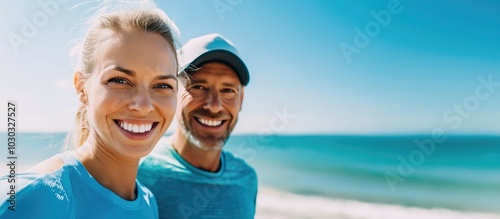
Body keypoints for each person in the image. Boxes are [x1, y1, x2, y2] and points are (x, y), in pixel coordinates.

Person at [0, 1, 179, 218]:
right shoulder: (30, 198)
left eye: (162, 85)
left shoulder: (149, 204)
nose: (143, 105)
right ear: (81, 86)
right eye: (120, 80)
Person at [138, 33, 258, 219]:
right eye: (199, 87)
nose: (214, 105)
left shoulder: (247, 179)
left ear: (241, 99)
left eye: (228, 90)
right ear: (172, 91)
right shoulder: (139, 173)